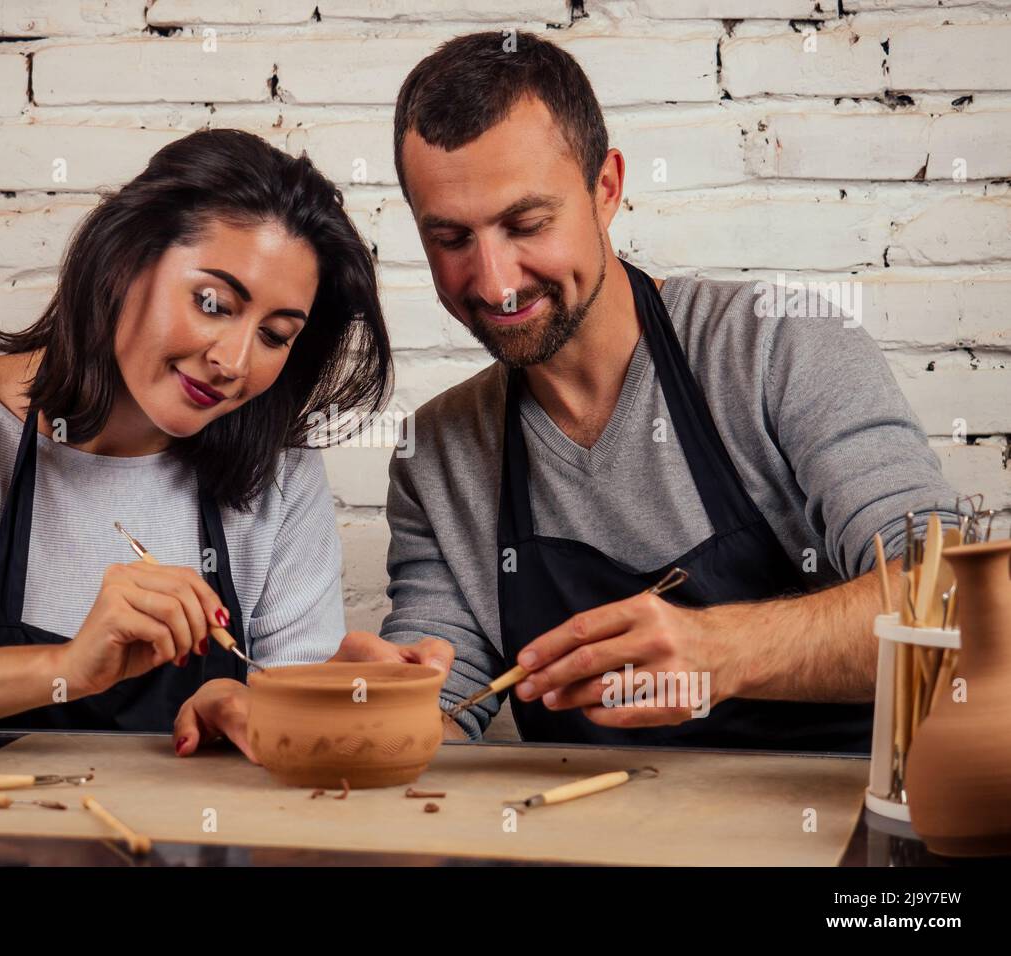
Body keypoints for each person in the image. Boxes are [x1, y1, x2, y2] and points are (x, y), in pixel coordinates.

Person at [0, 128, 449, 754]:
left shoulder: (279, 476)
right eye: (213, 302)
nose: (235, 361)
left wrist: (321, 701)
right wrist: (64, 669)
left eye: (274, 335)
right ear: (124, 263)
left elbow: (288, 745)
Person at [378, 32, 960, 751]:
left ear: (607, 188)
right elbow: (441, 702)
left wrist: (723, 650)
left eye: (526, 224)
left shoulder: (776, 349)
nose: (494, 281)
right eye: (451, 239)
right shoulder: (437, 456)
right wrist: (368, 704)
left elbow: (947, 601)